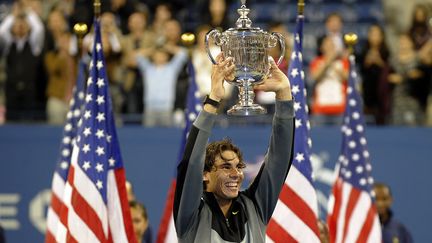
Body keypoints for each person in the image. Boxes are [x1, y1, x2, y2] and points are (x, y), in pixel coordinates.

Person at [173, 53, 294, 242]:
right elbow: (191, 162)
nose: (236, 174)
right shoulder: (190, 215)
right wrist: (213, 100)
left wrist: (284, 93)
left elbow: (280, 159)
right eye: (225, 167)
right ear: (204, 174)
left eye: (238, 167)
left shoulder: (255, 205)